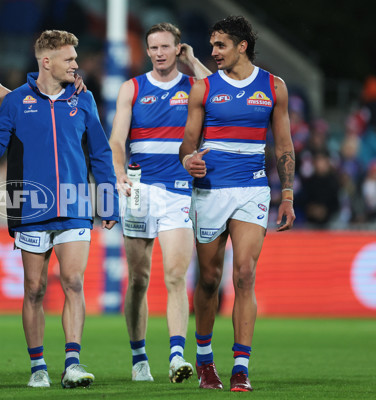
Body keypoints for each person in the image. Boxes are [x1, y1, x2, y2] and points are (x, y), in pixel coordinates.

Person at [0, 30, 119, 389]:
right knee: (35, 289)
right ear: (46, 62)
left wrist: (109, 200)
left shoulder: (83, 100)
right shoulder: (15, 101)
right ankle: (38, 366)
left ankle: (72, 363)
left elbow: (100, 153)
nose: (76, 64)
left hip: (75, 203)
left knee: (73, 281)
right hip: (29, 205)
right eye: (69, 59)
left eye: (75, 58)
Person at [179, 16, 296, 392]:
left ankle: (241, 368)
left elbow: (284, 146)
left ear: (241, 46)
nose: (213, 53)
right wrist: (188, 160)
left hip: (252, 189)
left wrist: (289, 194)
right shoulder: (203, 89)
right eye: (212, 46)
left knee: (244, 274)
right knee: (210, 279)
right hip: (210, 190)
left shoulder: (273, 87)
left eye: (220, 46)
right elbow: (188, 143)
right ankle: (205, 362)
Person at [108, 22, 211, 383]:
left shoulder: (195, 87)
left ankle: (177, 356)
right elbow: (117, 140)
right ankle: (139, 359)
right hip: (139, 191)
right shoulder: (131, 88)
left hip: (178, 190)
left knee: (175, 276)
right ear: (147, 51)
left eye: (166, 47)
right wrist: (119, 172)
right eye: (153, 47)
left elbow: (220, 92)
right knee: (138, 278)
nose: (159, 53)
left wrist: (194, 61)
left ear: (178, 48)